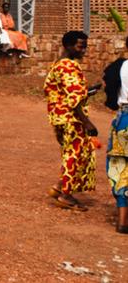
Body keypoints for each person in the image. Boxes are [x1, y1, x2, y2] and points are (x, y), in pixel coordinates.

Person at [45, 30, 101, 212]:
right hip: (72, 118)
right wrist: (87, 122)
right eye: (80, 46)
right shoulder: (68, 66)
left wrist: (88, 91)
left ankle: (59, 187)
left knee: (71, 153)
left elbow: (65, 92)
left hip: (60, 116)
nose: (83, 50)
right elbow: (74, 99)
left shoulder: (59, 64)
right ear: (68, 46)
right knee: (75, 155)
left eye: (85, 47)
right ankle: (65, 195)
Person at [103, 36, 128, 232]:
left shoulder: (119, 67)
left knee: (120, 168)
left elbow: (109, 89)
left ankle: (122, 221)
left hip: (123, 121)